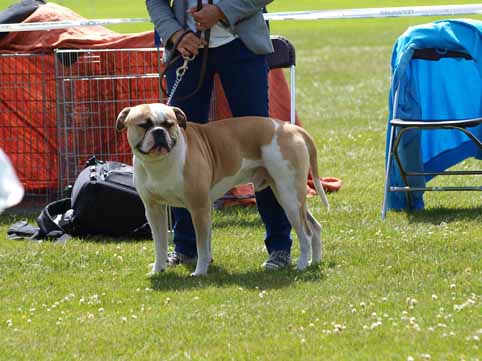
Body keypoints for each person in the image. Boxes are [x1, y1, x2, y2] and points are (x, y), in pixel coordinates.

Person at [146, 0, 292, 270]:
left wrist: (223, 11)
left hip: (241, 45)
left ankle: (280, 246)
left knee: (261, 148)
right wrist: (176, 34)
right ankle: (186, 248)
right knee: (180, 149)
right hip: (186, 47)